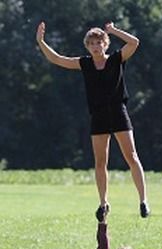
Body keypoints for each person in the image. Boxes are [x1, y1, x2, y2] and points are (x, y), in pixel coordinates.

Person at [36, 21, 150, 220]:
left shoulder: (116, 59)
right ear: (87, 46)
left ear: (105, 44)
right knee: (100, 162)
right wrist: (41, 41)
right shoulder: (85, 63)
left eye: (99, 42)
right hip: (98, 115)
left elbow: (134, 43)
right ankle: (103, 203)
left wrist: (113, 31)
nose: (96, 47)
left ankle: (143, 201)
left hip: (117, 111)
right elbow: (56, 59)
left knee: (131, 156)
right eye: (92, 44)